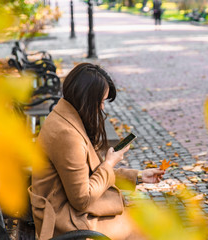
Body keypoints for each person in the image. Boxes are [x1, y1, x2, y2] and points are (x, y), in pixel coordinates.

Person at [28, 63, 165, 240]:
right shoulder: (67, 135)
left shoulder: (66, 117)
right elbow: (82, 199)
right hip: (65, 222)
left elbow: (86, 175)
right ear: (86, 100)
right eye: (100, 102)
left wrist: (138, 176)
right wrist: (109, 163)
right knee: (146, 227)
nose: (101, 108)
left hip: (67, 211)